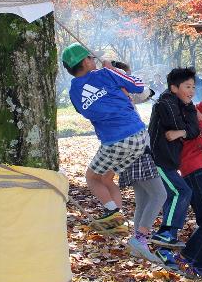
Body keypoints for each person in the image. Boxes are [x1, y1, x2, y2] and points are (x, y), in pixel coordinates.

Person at [62, 43, 148, 232]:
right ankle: (118, 221)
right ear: (85, 62)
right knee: (106, 179)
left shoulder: (73, 92)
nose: (95, 59)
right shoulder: (106, 74)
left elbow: (85, 111)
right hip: (139, 136)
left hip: (115, 142)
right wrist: (114, 70)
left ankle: (111, 210)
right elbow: (138, 85)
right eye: (92, 57)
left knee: (92, 177)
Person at [108, 62, 167, 262]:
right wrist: (144, 86)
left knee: (143, 198)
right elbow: (142, 92)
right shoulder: (119, 89)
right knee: (160, 194)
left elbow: (142, 94)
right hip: (136, 149)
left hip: (126, 150)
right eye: (127, 76)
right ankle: (140, 239)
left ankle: (137, 246)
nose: (129, 79)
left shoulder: (110, 92)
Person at [148, 68, 199, 260]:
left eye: (193, 87)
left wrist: (181, 133)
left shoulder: (183, 104)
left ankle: (164, 249)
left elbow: (192, 130)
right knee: (182, 192)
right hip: (157, 160)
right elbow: (178, 124)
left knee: (173, 197)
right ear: (173, 88)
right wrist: (183, 128)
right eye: (187, 86)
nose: (192, 91)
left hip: (168, 161)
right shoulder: (166, 103)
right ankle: (165, 233)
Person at [174, 100, 202, 279]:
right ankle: (186, 256)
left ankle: (200, 266)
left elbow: (197, 110)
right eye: (188, 87)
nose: (192, 91)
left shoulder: (188, 113)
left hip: (197, 171)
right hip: (193, 172)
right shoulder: (187, 123)